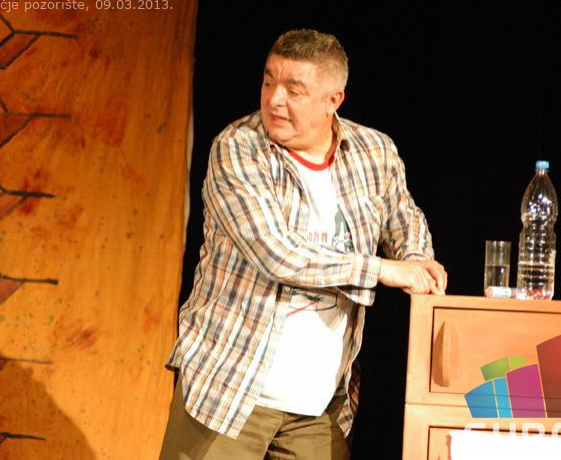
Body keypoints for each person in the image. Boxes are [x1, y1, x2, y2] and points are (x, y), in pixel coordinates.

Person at [159, 28, 447, 460]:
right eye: (268, 82)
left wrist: (417, 259)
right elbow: (278, 253)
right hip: (230, 390)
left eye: (294, 90)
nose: (275, 100)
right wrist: (383, 269)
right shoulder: (239, 149)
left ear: (334, 100)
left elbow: (403, 218)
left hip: (319, 406)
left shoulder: (374, 152)